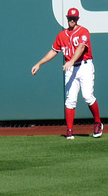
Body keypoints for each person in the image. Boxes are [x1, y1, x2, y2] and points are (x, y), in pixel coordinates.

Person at [31, 8, 103, 139]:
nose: (72, 20)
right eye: (70, 17)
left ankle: (98, 122)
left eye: (74, 18)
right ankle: (69, 130)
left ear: (78, 19)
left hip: (84, 66)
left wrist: (71, 61)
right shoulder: (61, 35)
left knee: (87, 96)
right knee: (70, 100)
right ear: (67, 18)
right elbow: (53, 51)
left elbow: (81, 48)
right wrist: (39, 63)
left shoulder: (83, 32)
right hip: (70, 69)